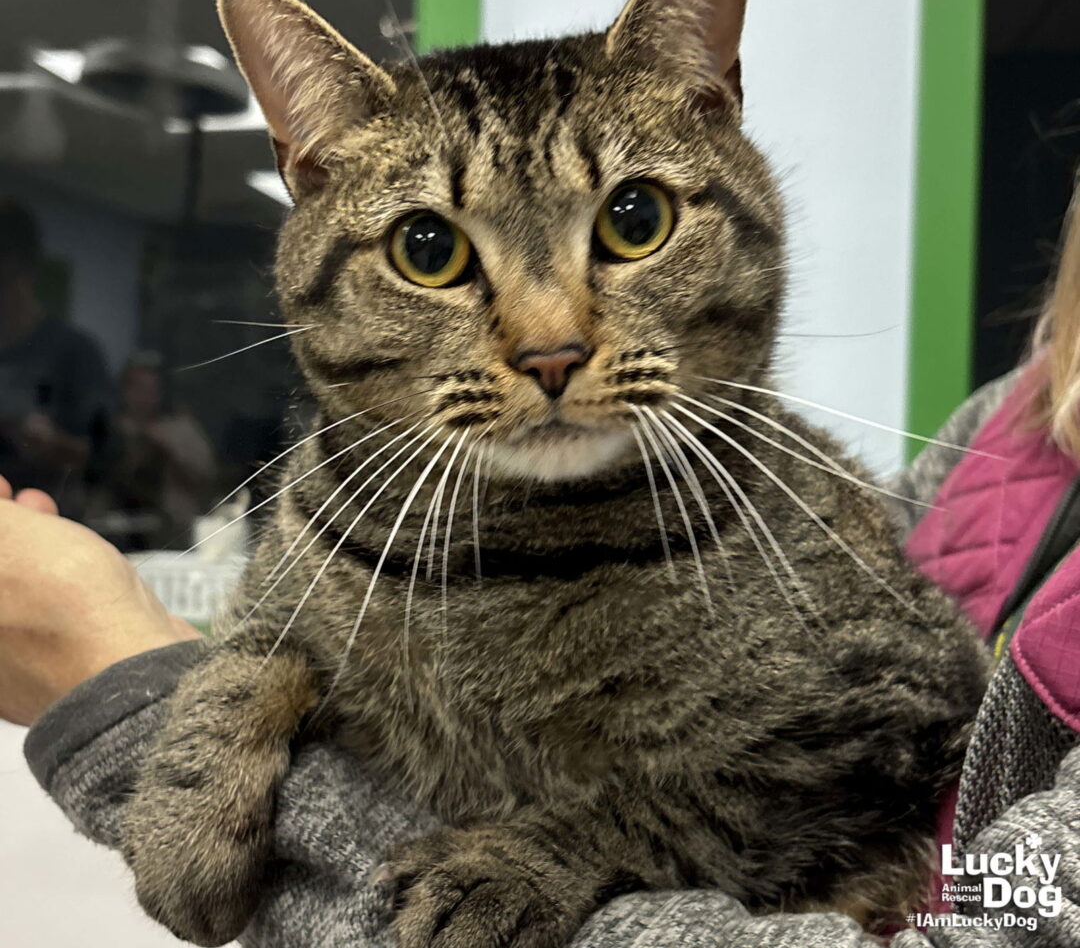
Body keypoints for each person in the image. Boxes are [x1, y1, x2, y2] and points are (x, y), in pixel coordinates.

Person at [6, 191, 1080, 944]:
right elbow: (277, 633)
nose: (549, 342)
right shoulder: (1011, 425)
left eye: (631, 224)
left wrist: (591, 848)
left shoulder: (764, 494)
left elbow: (905, 722)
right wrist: (229, 700)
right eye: (432, 249)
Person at [0, 198, 113, 519]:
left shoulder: (74, 352)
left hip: (47, 523)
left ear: (17, 264)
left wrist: (51, 442)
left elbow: (105, 456)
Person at [88, 351, 217, 550]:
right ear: (124, 390)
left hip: (171, 532)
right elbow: (94, 480)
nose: (145, 397)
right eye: (138, 388)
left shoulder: (181, 430)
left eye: (152, 389)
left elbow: (205, 482)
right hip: (112, 529)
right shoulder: (107, 430)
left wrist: (165, 448)